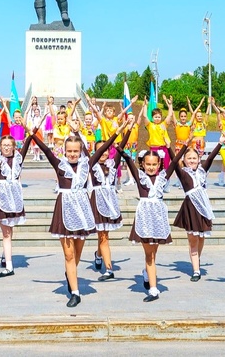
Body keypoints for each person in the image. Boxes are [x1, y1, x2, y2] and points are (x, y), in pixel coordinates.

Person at [33, 126, 124, 307]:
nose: (73, 154)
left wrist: (117, 131)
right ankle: (75, 292)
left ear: (80, 151)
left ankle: (71, 273)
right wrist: (31, 131)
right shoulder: (59, 164)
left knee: (77, 252)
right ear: (65, 151)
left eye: (75, 151)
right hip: (64, 209)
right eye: (69, 151)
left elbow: (102, 149)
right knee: (68, 254)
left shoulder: (87, 164)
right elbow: (44, 148)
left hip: (82, 210)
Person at [121, 145, 177, 302]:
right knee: (149, 255)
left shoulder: (163, 177)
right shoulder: (140, 177)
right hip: (145, 217)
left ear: (159, 164)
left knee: (154, 251)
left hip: (158, 218)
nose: (151, 167)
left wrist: (183, 145)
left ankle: (147, 273)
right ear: (143, 164)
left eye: (154, 164)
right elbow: (126, 157)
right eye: (148, 164)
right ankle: (153, 289)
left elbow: (175, 162)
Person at [0, 125, 35, 277]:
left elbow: (29, 139)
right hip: (2, 196)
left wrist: (31, 130)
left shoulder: (18, 157)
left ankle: (6, 254)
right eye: (4, 145)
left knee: (10, 230)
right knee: (6, 233)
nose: (6, 148)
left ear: (13, 146)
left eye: (9, 145)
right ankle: (9, 266)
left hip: (15, 196)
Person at [88, 119, 134, 279]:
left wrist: (128, 129)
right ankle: (109, 269)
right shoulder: (92, 163)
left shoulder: (112, 164)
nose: (104, 153)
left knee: (104, 235)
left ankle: (98, 255)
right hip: (97, 201)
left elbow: (121, 147)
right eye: (101, 150)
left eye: (106, 150)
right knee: (103, 236)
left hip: (110, 202)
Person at [172, 133, 221, 281]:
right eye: (189, 158)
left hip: (204, 207)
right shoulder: (182, 173)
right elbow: (174, 162)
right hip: (191, 207)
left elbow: (211, 158)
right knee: (193, 239)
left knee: (201, 237)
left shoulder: (201, 171)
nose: (192, 161)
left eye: (194, 158)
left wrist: (220, 143)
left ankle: (196, 260)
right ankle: (196, 270)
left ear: (198, 159)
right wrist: (185, 146)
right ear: (185, 161)